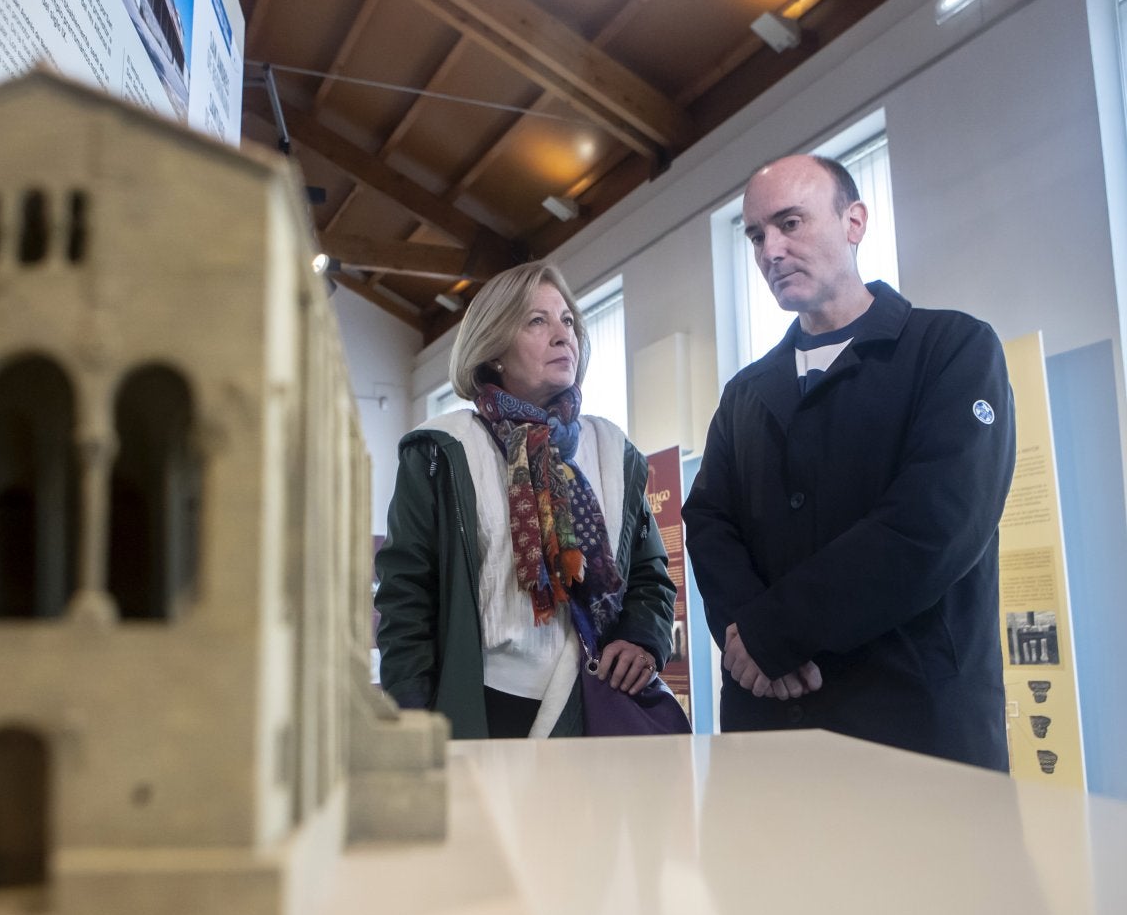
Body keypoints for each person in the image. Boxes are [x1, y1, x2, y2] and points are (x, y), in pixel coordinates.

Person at [681, 154, 1015, 770]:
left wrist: (771, 635)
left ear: (854, 221)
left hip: (914, 730)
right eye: (757, 235)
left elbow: (932, 525)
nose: (770, 251)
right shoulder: (745, 394)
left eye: (790, 223)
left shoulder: (953, 349)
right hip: (771, 731)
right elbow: (707, 522)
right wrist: (748, 644)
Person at [375, 261, 676, 738]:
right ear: (493, 350)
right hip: (485, 713)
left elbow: (650, 576)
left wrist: (644, 637)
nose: (563, 335)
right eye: (538, 321)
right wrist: (412, 721)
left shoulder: (611, 451)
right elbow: (406, 600)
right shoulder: (444, 449)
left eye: (568, 321)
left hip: (597, 703)